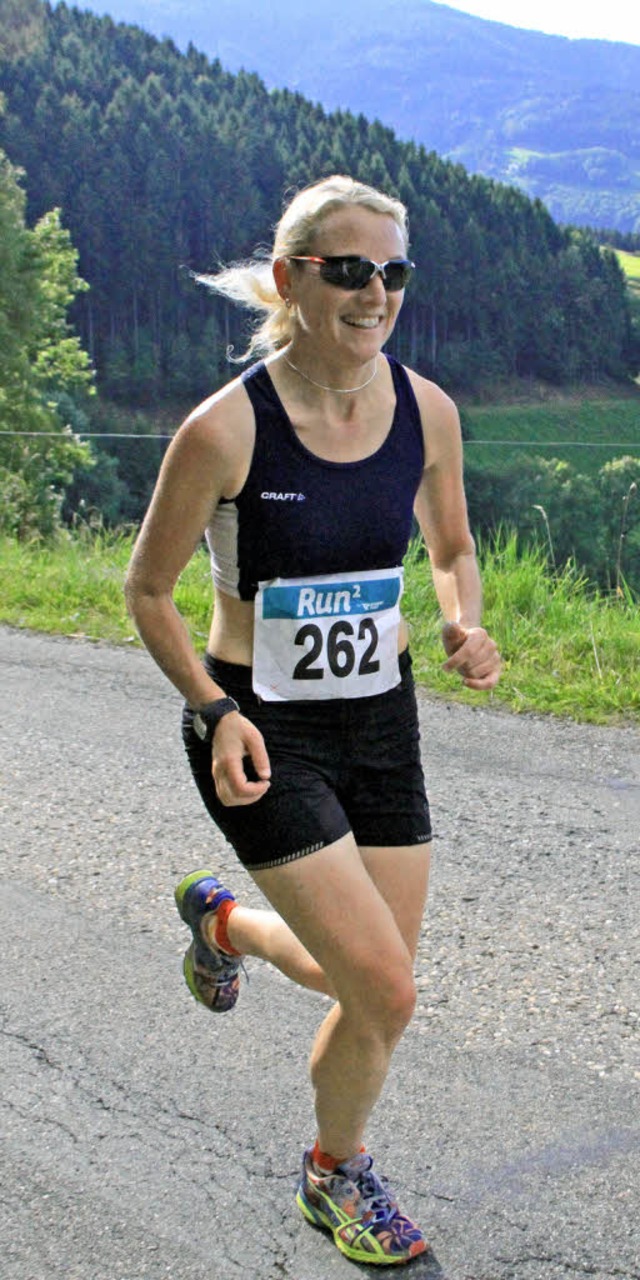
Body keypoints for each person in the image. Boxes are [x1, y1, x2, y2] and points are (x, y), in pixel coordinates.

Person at [125, 173, 501, 1267]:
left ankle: (224, 924)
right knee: (383, 984)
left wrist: (461, 623)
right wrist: (211, 706)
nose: (374, 292)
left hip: (380, 716)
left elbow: (452, 548)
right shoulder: (223, 428)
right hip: (258, 727)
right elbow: (147, 592)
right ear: (292, 280)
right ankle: (337, 1173)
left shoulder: (427, 408)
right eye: (348, 271)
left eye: (392, 272)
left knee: (363, 981)